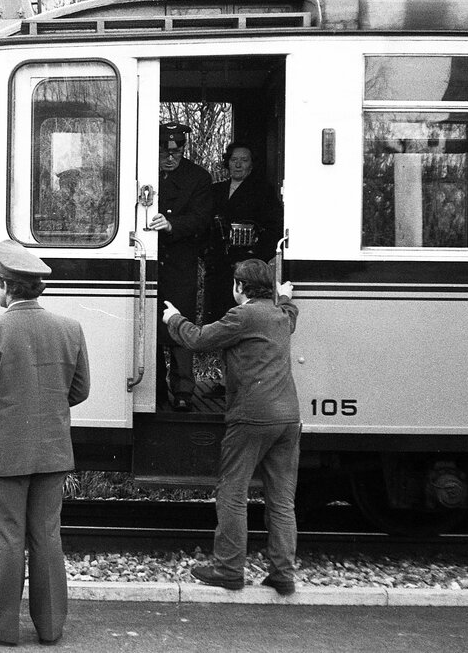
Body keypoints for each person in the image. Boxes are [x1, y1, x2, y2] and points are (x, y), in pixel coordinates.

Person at [0, 240, 90, 647]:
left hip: (2, 453)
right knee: (47, 535)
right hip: (52, 450)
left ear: (4, 285)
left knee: (8, 538)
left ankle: (1, 627)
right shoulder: (71, 329)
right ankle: (50, 628)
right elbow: (80, 390)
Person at [161, 258, 301, 596]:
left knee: (233, 492)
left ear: (240, 287)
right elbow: (292, 315)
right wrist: (287, 298)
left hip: (252, 415)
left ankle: (228, 569)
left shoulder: (243, 315)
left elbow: (196, 339)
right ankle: (283, 574)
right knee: (282, 501)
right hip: (287, 418)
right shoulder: (281, 315)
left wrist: (173, 318)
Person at [147, 121, 214, 412]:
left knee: (179, 326)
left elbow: (202, 219)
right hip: (149, 261)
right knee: (149, 325)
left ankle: (184, 389)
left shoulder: (198, 177)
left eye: (177, 150)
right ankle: (155, 390)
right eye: (165, 150)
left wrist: (173, 224)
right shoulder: (143, 169)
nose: (171, 157)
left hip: (179, 263)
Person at [203, 142, 283, 324]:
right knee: (216, 313)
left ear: (251, 164)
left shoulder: (263, 191)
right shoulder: (215, 190)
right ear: (227, 162)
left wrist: (257, 257)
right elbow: (204, 224)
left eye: (244, 160)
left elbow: (274, 228)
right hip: (217, 263)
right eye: (234, 159)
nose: (238, 164)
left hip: (247, 264)